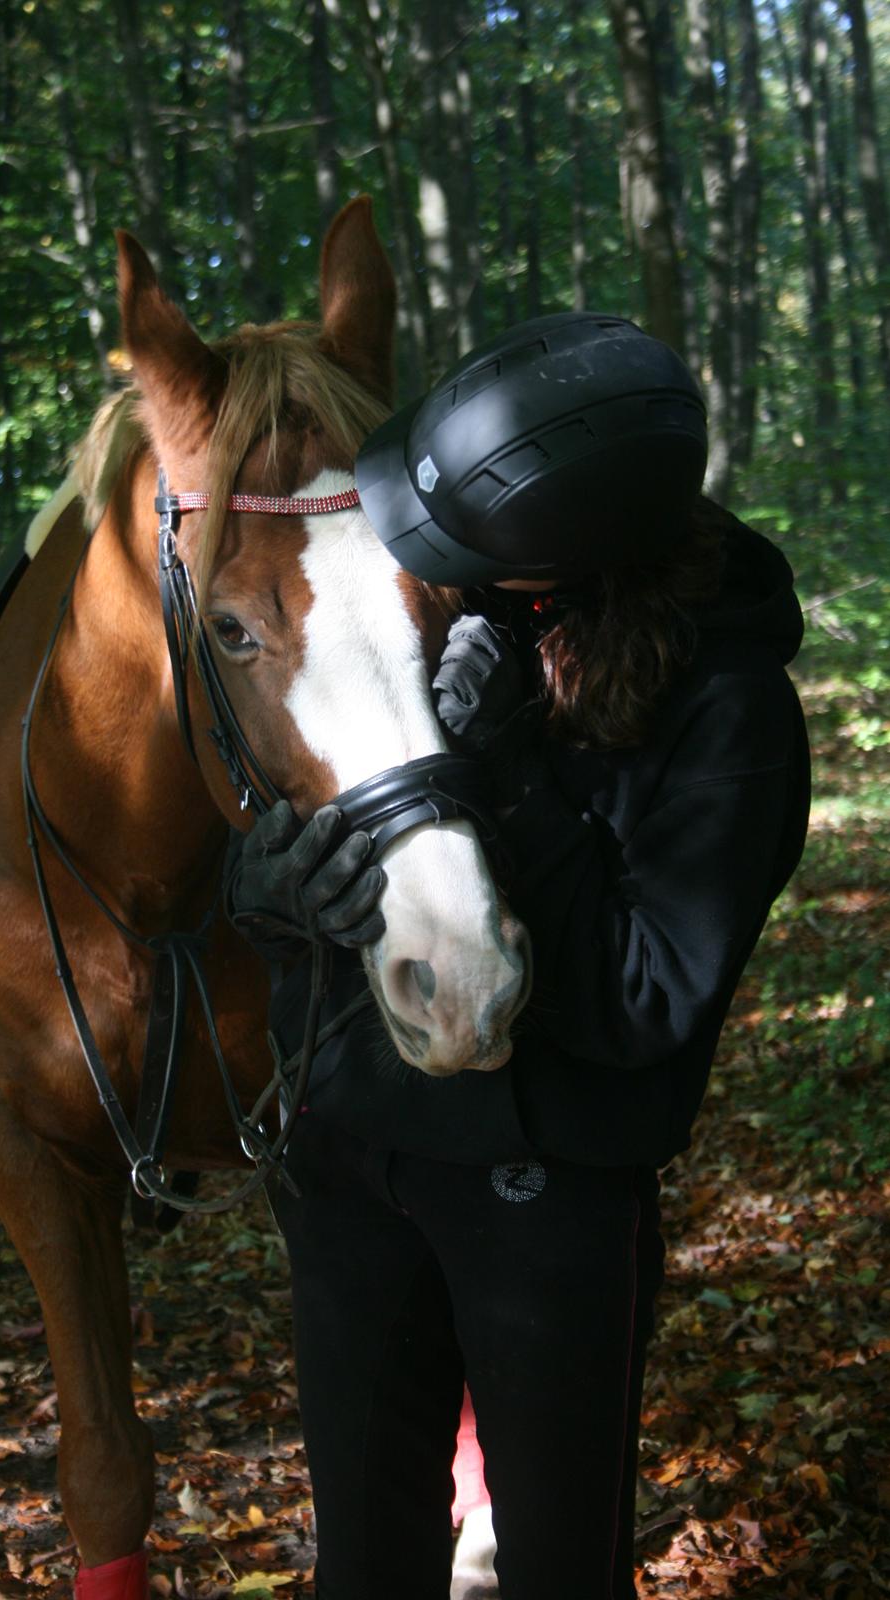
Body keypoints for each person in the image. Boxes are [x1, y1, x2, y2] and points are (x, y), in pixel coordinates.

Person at [228, 313, 810, 1600]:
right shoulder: (466, 608)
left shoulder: (726, 710)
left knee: (560, 1565)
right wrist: (265, 889)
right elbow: (342, 807)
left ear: (566, 549)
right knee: (364, 1559)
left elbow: (649, 999)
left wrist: (505, 785)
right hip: (355, 1164)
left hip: (544, 1195)